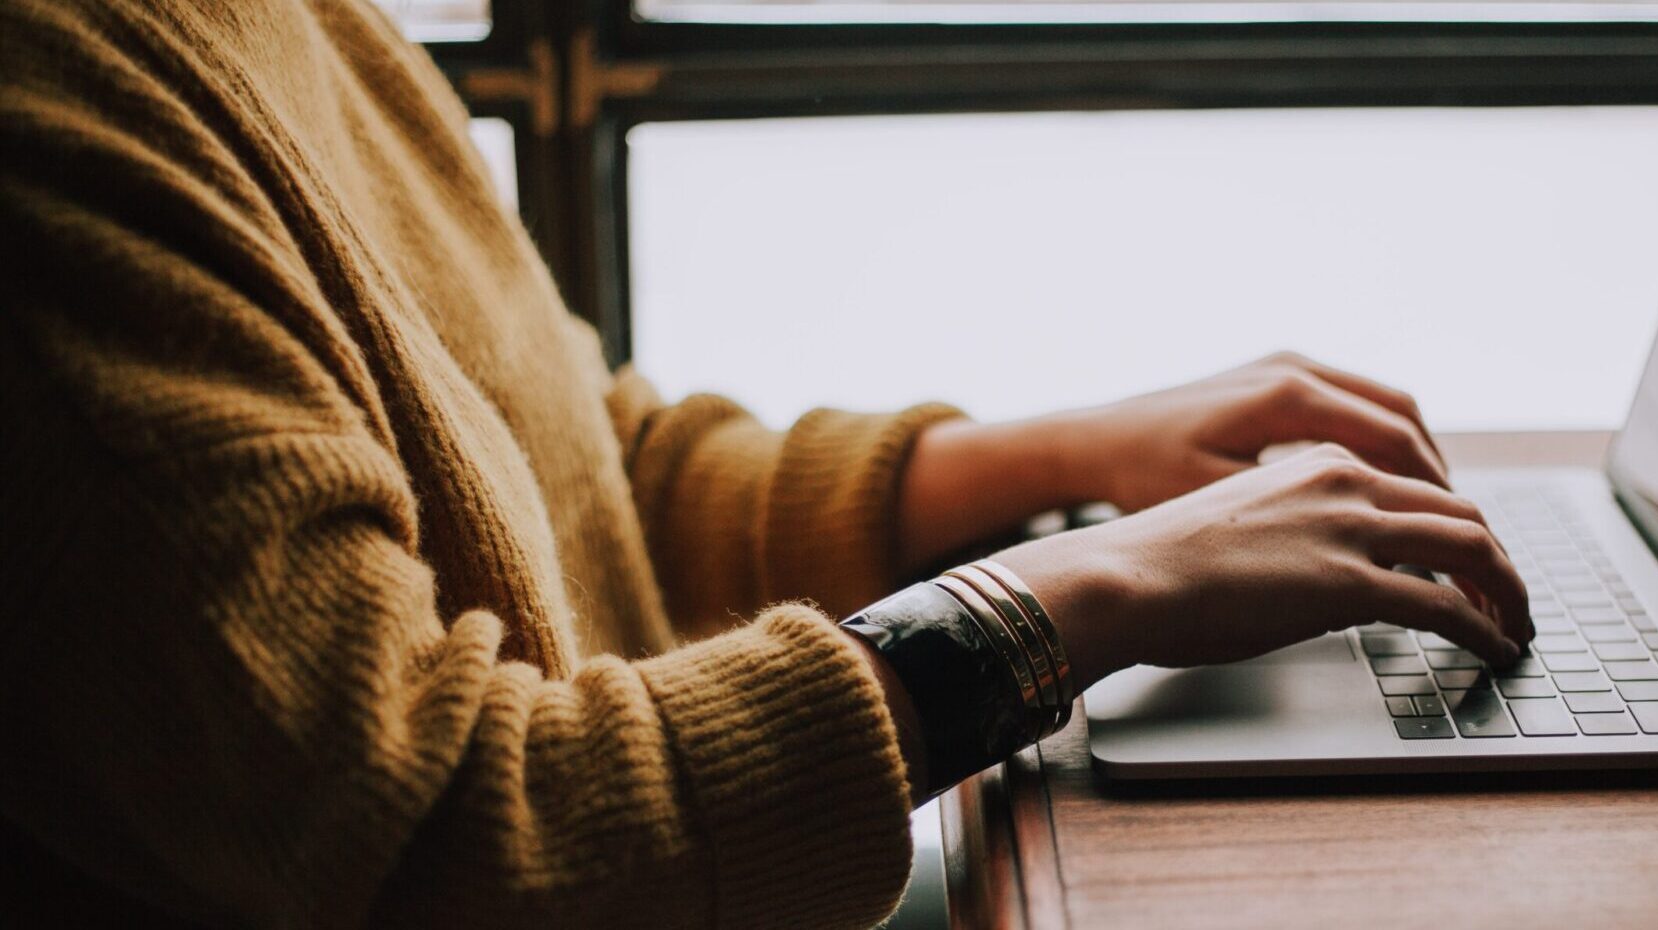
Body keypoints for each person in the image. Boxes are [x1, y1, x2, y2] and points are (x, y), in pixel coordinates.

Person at [0, 0, 1531, 926]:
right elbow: (451, 844)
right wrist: (1079, 592)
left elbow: (589, 468)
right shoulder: (54, 129)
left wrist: (1069, 457)